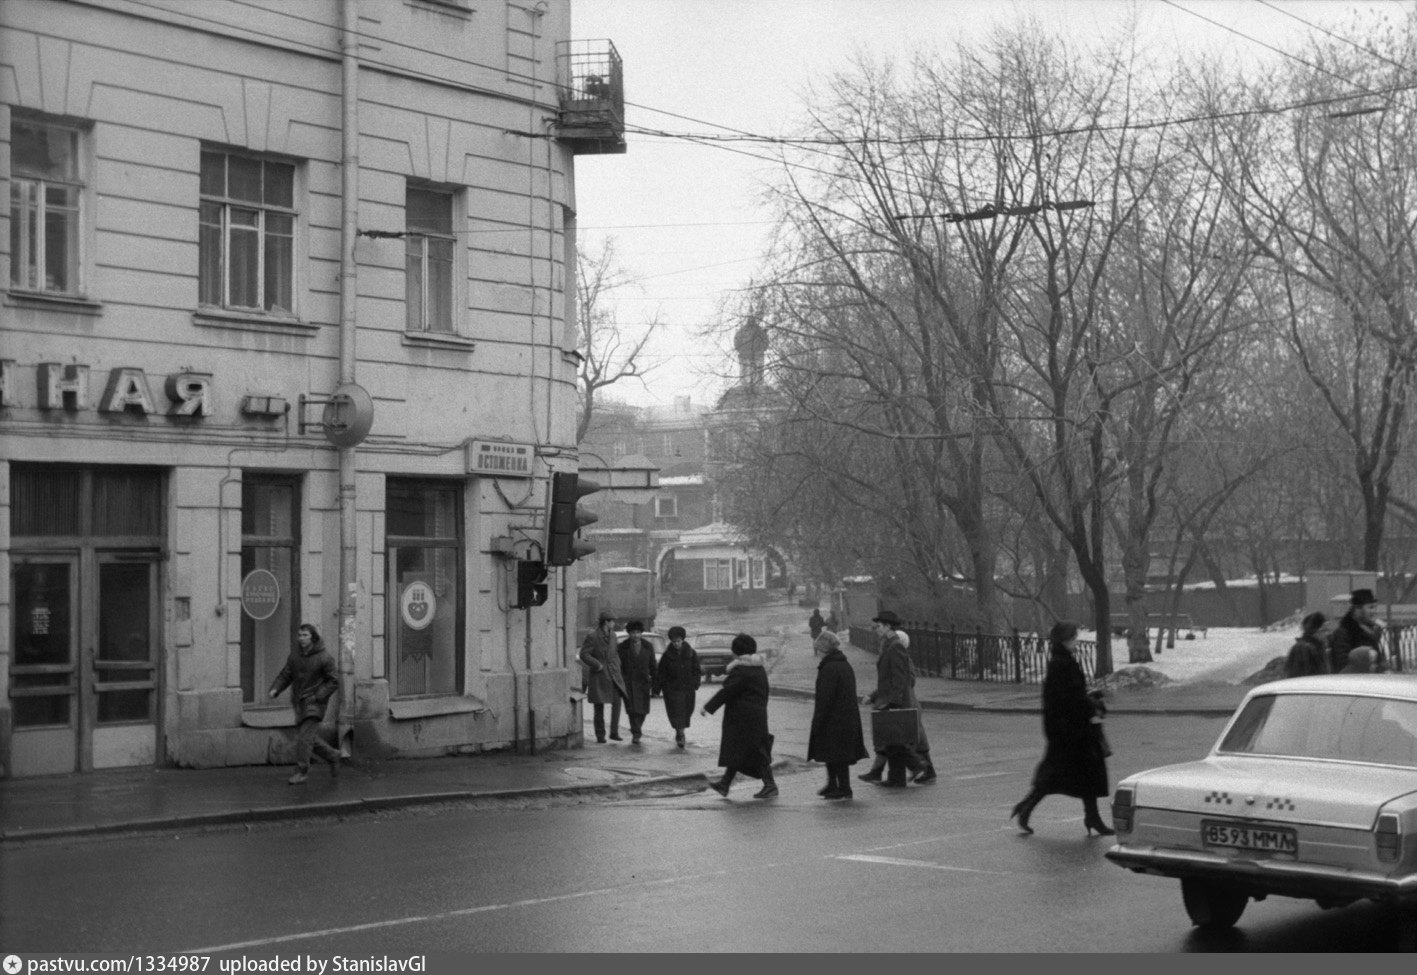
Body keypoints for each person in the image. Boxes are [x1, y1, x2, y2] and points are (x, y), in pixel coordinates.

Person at [1009, 620, 1114, 837]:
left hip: (1070, 729)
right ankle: (1026, 808)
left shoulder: (1063, 661)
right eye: (1074, 638)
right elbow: (1067, 699)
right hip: (1069, 731)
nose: (1076, 642)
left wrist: (1088, 702)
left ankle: (1091, 817)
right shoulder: (1061, 664)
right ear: (1066, 640)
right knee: (1059, 776)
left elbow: (1071, 696)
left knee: (1083, 773)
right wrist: (1091, 707)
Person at [859, 610, 936, 787]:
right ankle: (897, 778)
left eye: (878, 626)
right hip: (889, 699)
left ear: (888, 626)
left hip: (895, 701)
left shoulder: (896, 647)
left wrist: (893, 702)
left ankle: (917, 766)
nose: (876, 629)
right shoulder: (889, 645)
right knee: (892, 741)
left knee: (895, 742)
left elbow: (900, 679)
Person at [700, 633, 777, 799]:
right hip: (755, 715)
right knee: (741, 750)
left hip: (743, 718)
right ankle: (724, 784)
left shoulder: (741, 670)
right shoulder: (758, 667)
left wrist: (708, 707)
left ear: (737, 652)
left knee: (754, 751)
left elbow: (727, 691)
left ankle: (770, 785)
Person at [268, 622, 342, 785]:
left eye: (305, 635)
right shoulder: (295, 656)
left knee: (304, 738)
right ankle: (333, 755)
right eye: (299, 635)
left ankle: (301, 772)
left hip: (315, 703)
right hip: (300, 702)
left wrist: (319, 696)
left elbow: (334, 680)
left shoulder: (325, 657)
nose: (301, 638)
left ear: (313, 637)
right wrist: (275, 689)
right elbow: (286, 675)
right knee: (308, 738)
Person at [807, 630, 868, 799]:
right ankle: (833, 784)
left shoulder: (829, 668)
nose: (817, 653)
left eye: (818, 649)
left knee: (837, 755)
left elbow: (825, 698)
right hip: (845, 717)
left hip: (834, 719)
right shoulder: (842, 664)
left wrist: (818, 720)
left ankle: (844, 788)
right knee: (834, 753)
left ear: (824, 649)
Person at [579, 612, 627, 743]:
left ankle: (614, 732)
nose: (614, 623)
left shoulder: (613, 635)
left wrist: (618, 665)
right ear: (606, 622)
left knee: (617, 702)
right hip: (599, 675)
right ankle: (600, 735)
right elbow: (583, 654)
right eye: (612, 621)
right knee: (598, 706)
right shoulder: (592, 636)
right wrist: (597, 665)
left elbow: (615, 653)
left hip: (613, 674)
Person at [655, 625, 701, 749]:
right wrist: (657, 688)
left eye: (678, 641)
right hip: (672, 690)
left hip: (688, 689)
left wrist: (696, 683)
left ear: (683, 640)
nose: (676, 644)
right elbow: (661, 673)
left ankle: (680, 731)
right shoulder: (666, 655)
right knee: (676, 713)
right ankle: (680, 734)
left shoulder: (691, 653)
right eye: (674, 642)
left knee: (687, 712)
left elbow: (697, 669)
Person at [617, 620, 657, 744]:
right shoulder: (622, 647)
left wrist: (656, 683)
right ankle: (636, 732)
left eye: (638, 633)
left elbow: (653, 666)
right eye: (633, 633)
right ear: (629, 633)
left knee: (643, 710)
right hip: (628, 683)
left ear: (641, 633)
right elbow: (618, 666)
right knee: (632, 710)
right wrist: (622, 680)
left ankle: (637, 728)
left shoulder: (648, 646)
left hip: (644, 682)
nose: (636, 635)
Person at [1329, 588, 1385, 673]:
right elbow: (1343, 667)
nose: (1374, 611)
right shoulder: (1343, 633)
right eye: (1370, 607)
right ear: (1358, 609)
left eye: (1374, 607)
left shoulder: (1370, 631)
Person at [1284, 612, 1331, 678]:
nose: (1328, 634)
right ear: (1314, 631)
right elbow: (1301, 678)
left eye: (1328, 630)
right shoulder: (1303, 649)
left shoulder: (1319, 647)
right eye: (1324, 630)